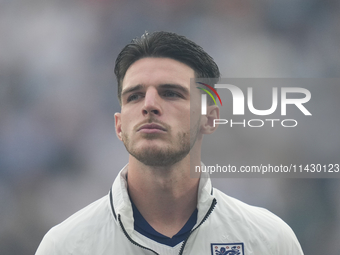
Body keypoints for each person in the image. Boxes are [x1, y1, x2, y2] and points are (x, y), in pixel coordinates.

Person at [36, 31, 304, 255]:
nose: (149, 105)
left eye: (171, 93)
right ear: (119, 125)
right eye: (134, 96)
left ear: (209, 119)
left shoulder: (270, 241)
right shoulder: (65, 246)